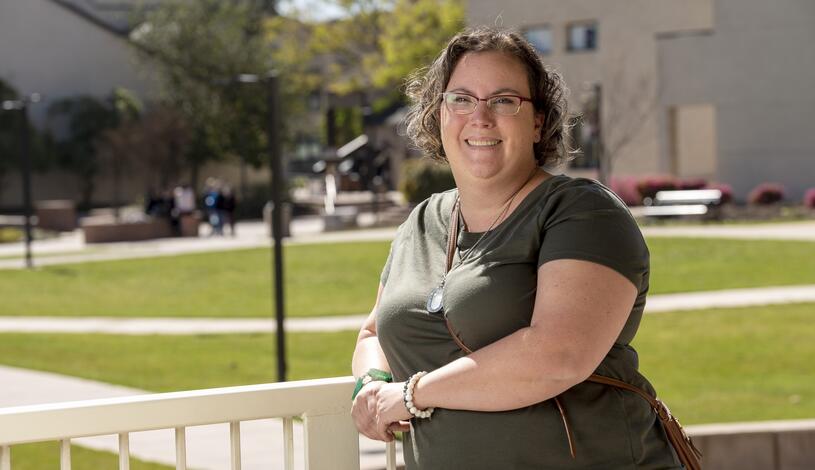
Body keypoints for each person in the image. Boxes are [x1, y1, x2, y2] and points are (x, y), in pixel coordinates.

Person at [350, 27, 683, 469]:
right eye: (461, 99)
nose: (480, 117)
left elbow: (557, 356)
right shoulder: (422, 222)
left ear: (538, 121)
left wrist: (411, 395)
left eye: (504, 101)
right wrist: (371, 385)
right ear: (439, 114)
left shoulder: (582, 213)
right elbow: (374, 333)